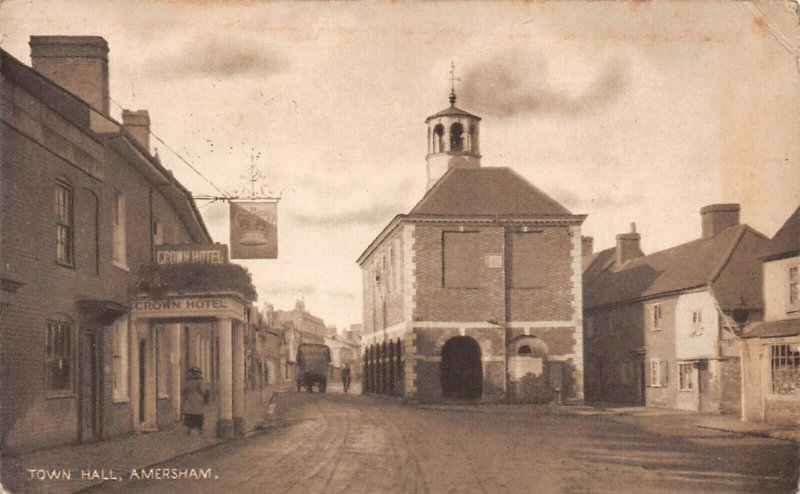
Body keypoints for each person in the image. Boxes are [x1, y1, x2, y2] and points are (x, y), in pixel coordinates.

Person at [182, 366, 209, 435]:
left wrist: (184, 398)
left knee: (190, 415)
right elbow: (202, 390)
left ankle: (189, 430)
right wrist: (206, 394)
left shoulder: (188, 381)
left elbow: (184, 390)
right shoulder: (200, 381)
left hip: (190, 400)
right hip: (198, 400)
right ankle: (200, 430)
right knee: (198, 415)